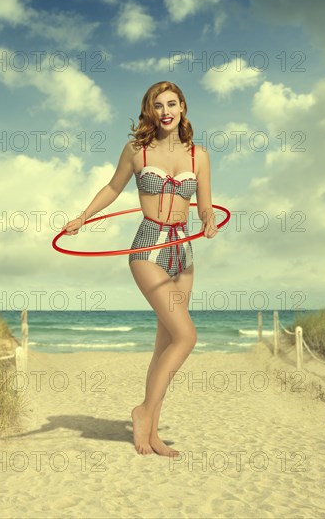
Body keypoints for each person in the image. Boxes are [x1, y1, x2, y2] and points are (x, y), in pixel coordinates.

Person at [62, 81, 218, 457]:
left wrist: (209, 220)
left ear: (182, 107)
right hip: (148, 244)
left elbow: (206, 205)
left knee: (165, 343)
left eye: (171, 103)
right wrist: (83, 217)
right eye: (157, 105)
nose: (165, 111)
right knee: (187, 337)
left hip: (183, 248)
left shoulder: (199, 155)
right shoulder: (137, 150)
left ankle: (150, 433)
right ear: (150, 111)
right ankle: (143, 412)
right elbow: (113, 189)